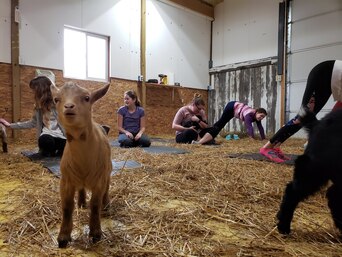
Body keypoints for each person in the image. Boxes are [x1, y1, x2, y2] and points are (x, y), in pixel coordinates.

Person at [260, 60, 342, 163]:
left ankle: (276, 146)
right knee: (303, 116)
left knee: (308, 116)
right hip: (325, 72)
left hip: (331, 78)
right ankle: (268, 147)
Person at [0, 76, 66, 157]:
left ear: (41, 89)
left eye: (34, 89)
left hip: (63, 137)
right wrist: (10, 125)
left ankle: (56, 151)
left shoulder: (60, 103)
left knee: (65, 148)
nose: (33, 92)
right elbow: (32, 123)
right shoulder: (39, 107)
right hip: (48, 136)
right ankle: (48, 151)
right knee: (45, 141)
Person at [193, 101, 267, 144]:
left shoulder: (257, 117)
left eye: (263, 117)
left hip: (235, 109)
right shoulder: (249, 115)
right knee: (221, 123)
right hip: (231, 106)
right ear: (256, 112)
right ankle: (208, 134)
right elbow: (249, 127)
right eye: (261, 115)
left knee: (221, 123)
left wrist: (263, 138)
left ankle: (209, 135)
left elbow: (260, 128)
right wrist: (252, 139)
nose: (261, 118)